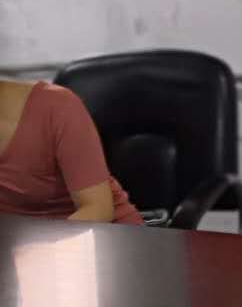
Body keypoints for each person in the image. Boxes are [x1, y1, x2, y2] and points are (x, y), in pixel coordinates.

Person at [0, 79, 141, 224]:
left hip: (106, 230)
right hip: (20, 233)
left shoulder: (57, 106)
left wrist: (40, 240)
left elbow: (98, 210)